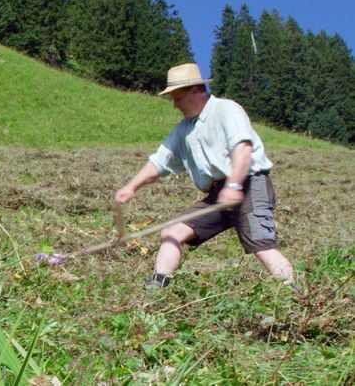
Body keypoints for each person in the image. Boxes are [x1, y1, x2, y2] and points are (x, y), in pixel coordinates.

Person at [115, 63, 295, 289]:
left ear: (194, 91)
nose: (174, 105)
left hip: (249, 185)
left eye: (177, 98)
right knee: (172, 232)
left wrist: (234, 185)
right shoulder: (183, 130)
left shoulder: (226, 110)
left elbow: (243, 148)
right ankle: (158, 287)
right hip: (218, 194)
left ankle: (295, 295)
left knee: (262, 247)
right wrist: (131, 186)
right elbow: (161, 161)